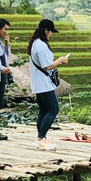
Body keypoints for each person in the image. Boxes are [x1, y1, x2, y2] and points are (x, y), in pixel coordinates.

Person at [28, 19, 68, 150]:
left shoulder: (35, 43)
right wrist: (60, 60)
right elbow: (47, 66)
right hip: (44, 84)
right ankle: (40, 137)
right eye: (50, 32)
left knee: (44, 110)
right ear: (46, 31)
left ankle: (41, 138)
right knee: (53, 109)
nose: (51, 34)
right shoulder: (42, 46)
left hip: (38, 83)